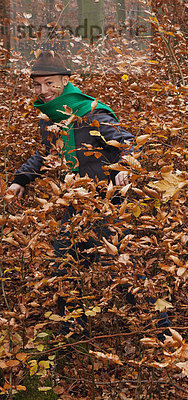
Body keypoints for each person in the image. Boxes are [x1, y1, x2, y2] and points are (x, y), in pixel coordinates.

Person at [7, 51, 135, 332]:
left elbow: (125, 143)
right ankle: (72, 334)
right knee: (64, 269)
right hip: (75, 205)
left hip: (106, 204)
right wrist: (21, 179)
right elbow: (46, 151)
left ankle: (159, 333)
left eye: (50, 83)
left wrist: (126, 167)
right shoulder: (50, 117)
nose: (44, 91)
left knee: (126, 272)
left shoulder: (91, 111)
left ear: (66, 80)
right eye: (38, 85)